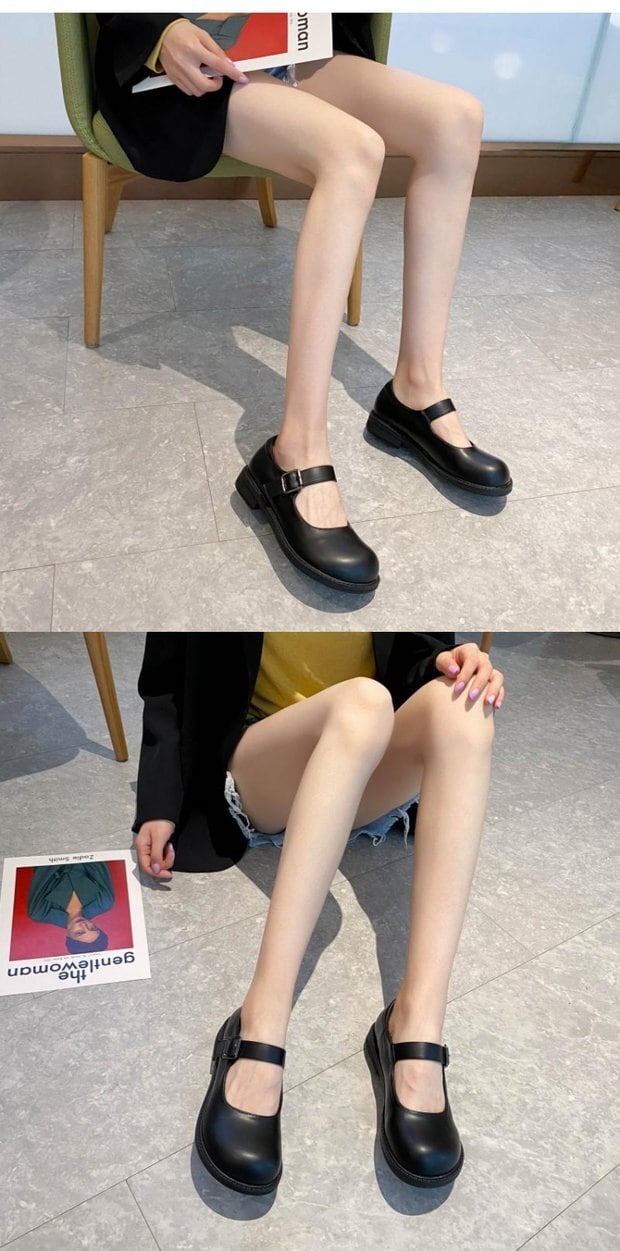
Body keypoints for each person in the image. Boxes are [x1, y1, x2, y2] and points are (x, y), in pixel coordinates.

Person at [94, 15, 512, 594]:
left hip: (291, 42)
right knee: (354, 149)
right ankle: (294, 450)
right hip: (186, 66)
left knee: (457, 118)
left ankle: (416, 390)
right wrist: (162, 32)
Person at [133, 632, 504, 1193]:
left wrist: (450, 663)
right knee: (363, 701)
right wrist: (159, 800)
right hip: (267, 765)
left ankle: (415, 1023)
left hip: (368, 757)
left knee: (466, 708)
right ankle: (260, 1019)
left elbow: (415, 657)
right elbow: (165, 677)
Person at [27, 862, 113, 952]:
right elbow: (96, 861)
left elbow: (42, 871)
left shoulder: (39, 912)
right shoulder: (104, 901)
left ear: (68, 936)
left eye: (79, 932)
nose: (83, 924)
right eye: (92, 928)